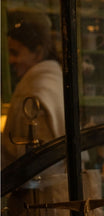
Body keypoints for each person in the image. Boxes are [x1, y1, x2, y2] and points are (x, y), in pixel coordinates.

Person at [2, 11, 64, 167]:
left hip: (43, 189)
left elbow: (37, 157)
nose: (11, 60)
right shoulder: (56, 79)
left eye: (15, 53)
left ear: (37, 53)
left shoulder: (35, 89)